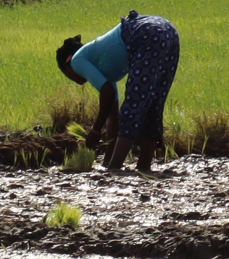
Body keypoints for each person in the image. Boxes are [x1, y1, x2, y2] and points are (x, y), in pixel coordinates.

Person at [55, 10, 180, 173]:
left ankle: (114, 169)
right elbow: (113, 117)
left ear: (68, 62)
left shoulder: (78, 60)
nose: (75, 80)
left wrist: (95, 131)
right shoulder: (104, 69)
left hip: (145, 32)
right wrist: (104, 161)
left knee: (133, 106)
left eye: (67, 74)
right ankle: (143, 167)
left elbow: (107, 93)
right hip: (169, 30)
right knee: (153, 105)